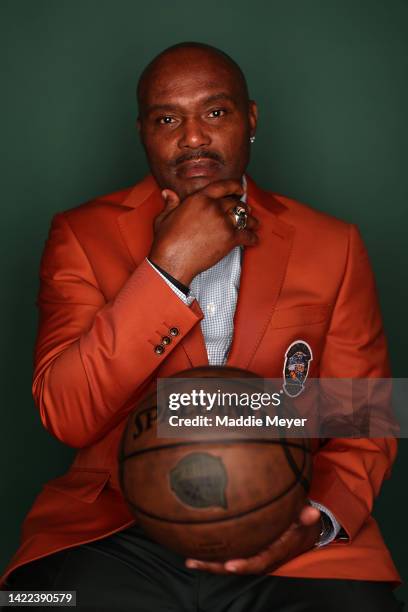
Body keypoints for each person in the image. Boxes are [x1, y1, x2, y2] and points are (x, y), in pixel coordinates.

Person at [0, 42, 403, 611]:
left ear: (251, 118)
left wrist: (313, 523)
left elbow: (365, 413)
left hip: (286, 528)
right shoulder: (81, 236)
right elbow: (67, 414)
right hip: (117, 531)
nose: (192, 137)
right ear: (142, 130)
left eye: (215, 113)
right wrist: (169, 269)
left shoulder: (332, 245)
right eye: (168, 119)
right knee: (39, 603)